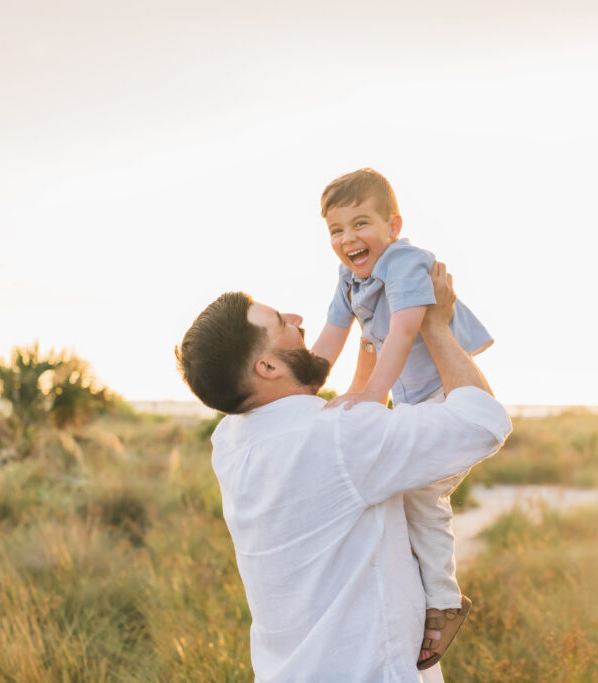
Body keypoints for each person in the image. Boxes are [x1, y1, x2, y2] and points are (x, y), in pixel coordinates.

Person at [175, 263, 511, 682]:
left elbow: (330, 424)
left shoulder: (230, 442)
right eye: (282, 323)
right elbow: (483, 422)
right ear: (267, 368)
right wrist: (436, 325)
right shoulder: (336, 438)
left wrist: (371, 343)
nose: (298, 320)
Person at [310, 169, 492, 668]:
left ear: (393, 225)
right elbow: (331, 337)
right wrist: (299, 392)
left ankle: (444, 600)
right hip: (412, 401)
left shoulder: (406, 261)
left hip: (443, 393)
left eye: (360, 223)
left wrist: (372, 393)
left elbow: (406, 329)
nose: (348, 239)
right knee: (401, 492)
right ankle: (414, 585)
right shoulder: (350, 276)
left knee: (420, 492)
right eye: (335, 230)